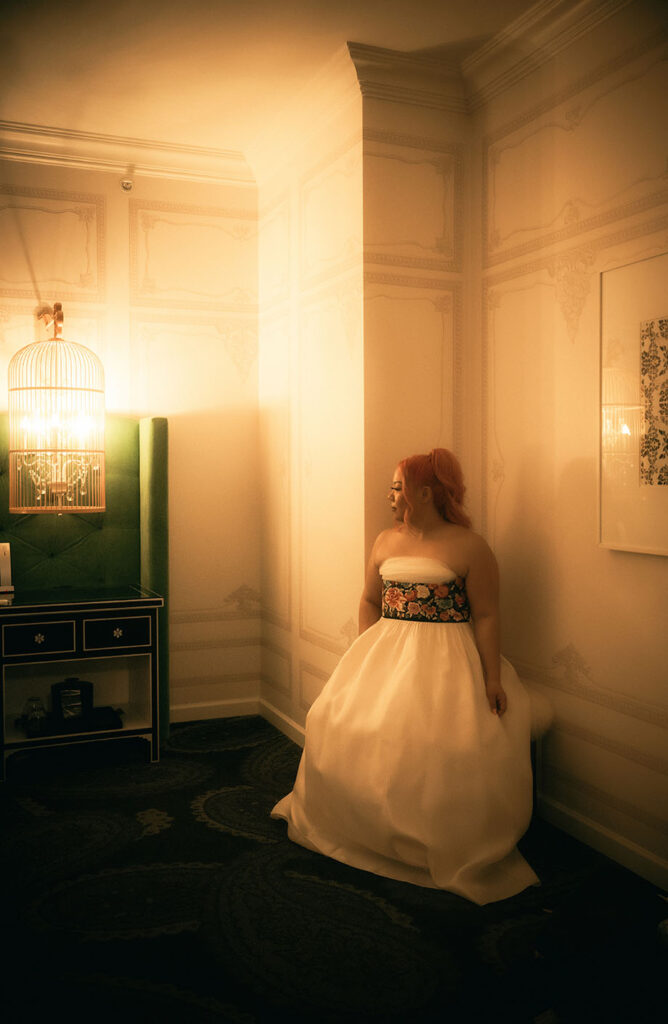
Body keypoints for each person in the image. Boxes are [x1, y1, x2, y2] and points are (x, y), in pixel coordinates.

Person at [271, 448, 539, 905]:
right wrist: (364, 651)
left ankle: (430, 843)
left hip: (447, 655)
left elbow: (489, 615)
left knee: (435, 745)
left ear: (426, 492)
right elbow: (369, 600)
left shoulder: (469, 546)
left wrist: (492, 678)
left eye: (397, 487)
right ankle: (361, 828)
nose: (390, 496)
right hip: (387, 648)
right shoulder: (384, 541)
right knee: (338, 722)